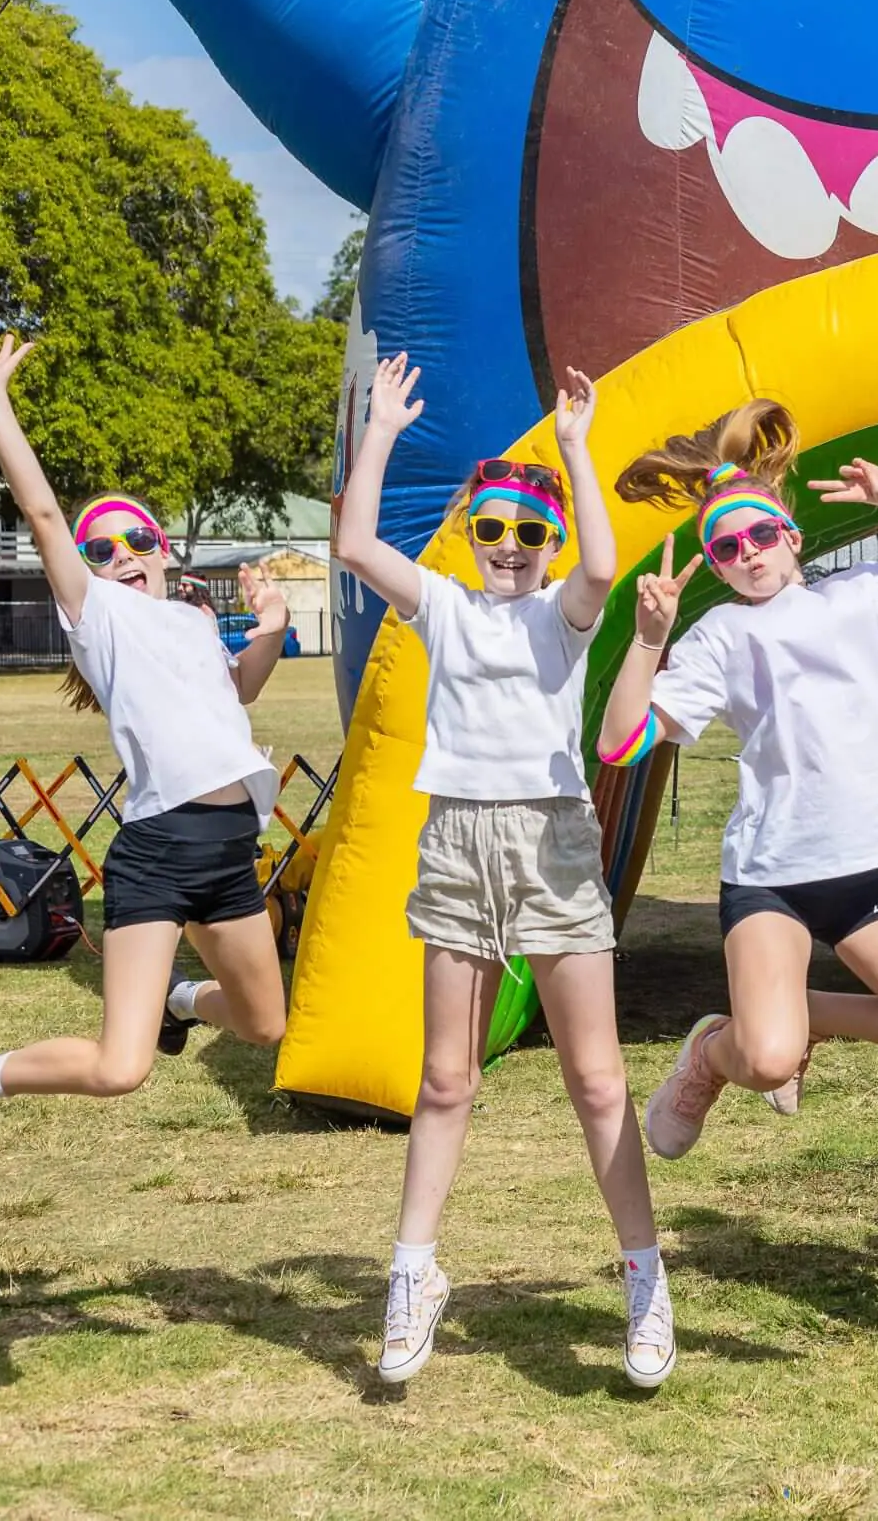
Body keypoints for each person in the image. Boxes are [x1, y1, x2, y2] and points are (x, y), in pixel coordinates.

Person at [0, 336, 292, 1172]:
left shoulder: (194, 622)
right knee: (119, 1067)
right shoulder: (99, 618)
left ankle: (176, 998)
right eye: (101, 550)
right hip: (161, 852)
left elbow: (237, 693)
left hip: (230, 849)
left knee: (266, 1024)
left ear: (163, 546)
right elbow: (42, 511)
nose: (120, 557)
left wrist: (273, 627)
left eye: (135, 540)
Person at [336, 355, 670, 1387]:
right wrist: (382, 426)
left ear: (550, 542)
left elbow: (606, 569)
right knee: (446, 1077)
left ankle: (644, 1279)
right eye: (493, 530)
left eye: (530, 533)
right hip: (457, 841)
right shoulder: (441, 604)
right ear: (470, 535)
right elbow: (351, 544)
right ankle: (413, 1273)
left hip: (556, 840)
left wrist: (573, 446)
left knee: (597, 1075)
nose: (512, 548)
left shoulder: (560, 617)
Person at [597, 402, 878, 1166]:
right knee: (763, 1059)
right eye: (727, 547)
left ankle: (809, 1016)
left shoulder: (867, 594)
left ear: (791, 537)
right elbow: (621, 743)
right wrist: (647, 641)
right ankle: (712, 1054)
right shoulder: (717, 635)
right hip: (770, 880)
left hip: (858, 879)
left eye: (761, 534)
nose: (748, 552)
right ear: (717, 565)